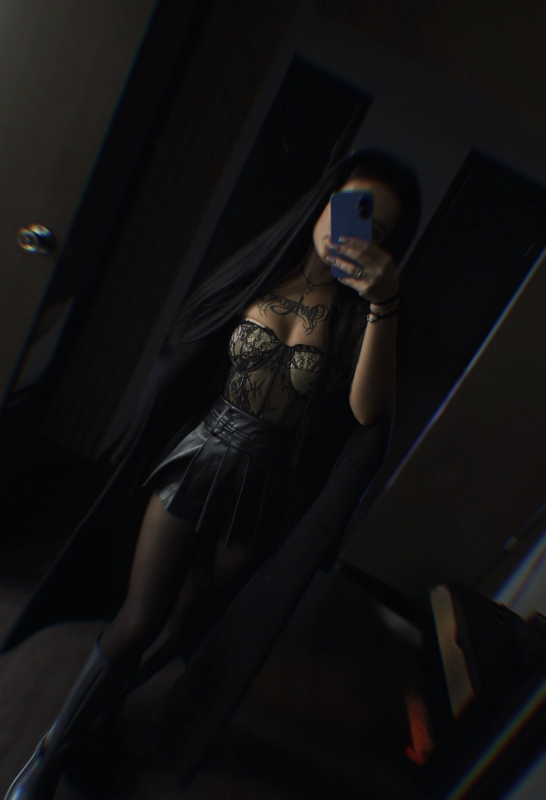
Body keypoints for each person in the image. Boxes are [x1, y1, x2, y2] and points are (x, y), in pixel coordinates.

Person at [3, 149, 421, 799]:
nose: (356, 233)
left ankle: (101, 717)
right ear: (325, 200)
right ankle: (50, 754)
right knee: (139, 621)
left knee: (187, 628)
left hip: (264, 491)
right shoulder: (262, 270)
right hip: (200, 459)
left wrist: (384, 302)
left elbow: (368, 413)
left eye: (379, 230)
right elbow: (188, 350)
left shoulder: (357, 319)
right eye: (353, 209)